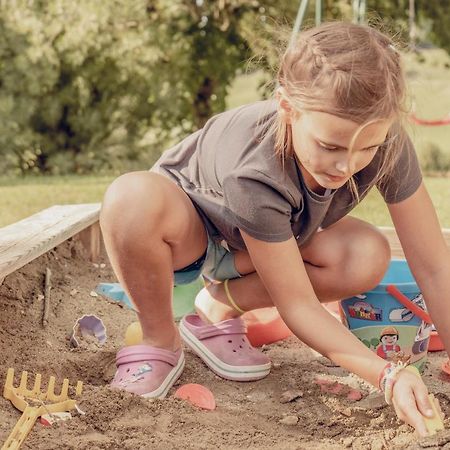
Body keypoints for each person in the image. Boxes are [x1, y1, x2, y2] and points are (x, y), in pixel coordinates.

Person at [100, 22, 449, 436]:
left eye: (366, 148)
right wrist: (386, 375)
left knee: (367, 253)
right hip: (188, 236)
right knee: (130, 198)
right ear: (287, 107)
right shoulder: (256, 167)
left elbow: (434, 266)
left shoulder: (387, 142)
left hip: (270, 243)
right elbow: (297, 305)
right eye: (330, 146)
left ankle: (219, 309)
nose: (346, 166)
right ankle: (160, 340)